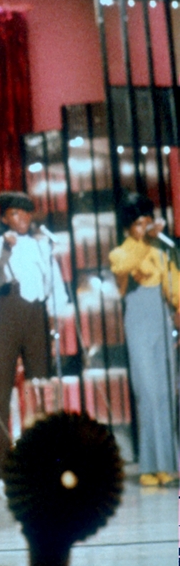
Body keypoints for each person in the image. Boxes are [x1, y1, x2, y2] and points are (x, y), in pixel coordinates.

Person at [0, 191, 68, 493]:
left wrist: (55, 314)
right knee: (0, 392)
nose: (23, 219)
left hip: (36, 317)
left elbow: (54, 283)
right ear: (5, 218)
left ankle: (43, 464)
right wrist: (6, 247)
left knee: (39, 387)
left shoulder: (42, 245)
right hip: (7, 314)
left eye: (27, 214)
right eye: (16, 214)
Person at [109, 193, 178, 487]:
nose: (145, 228)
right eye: (139, 224)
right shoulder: (121, 252)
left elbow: (173, 287)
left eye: (147, 222)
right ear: (128, 227)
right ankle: (150, 465)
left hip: (161, 321)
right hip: (138, 322)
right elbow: (124, 267)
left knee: (165, 394)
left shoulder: (161, 251)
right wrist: (148, 239)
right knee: (148, 393)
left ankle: (170, 464)